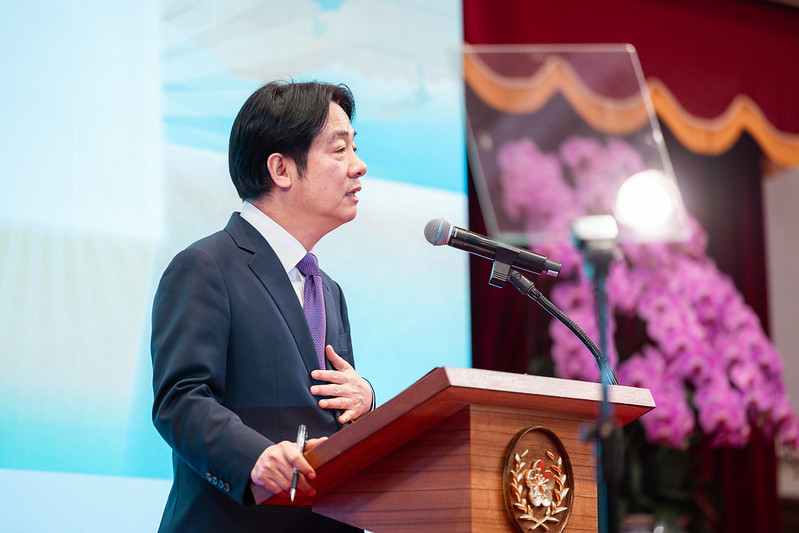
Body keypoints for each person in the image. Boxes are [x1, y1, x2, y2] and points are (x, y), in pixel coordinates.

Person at [151, 80, 373, 532]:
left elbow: (326, 409)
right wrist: (255, 457)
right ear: (281, 169)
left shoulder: (328, 290)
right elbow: (180, 399)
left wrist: (366, 400)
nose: (359, 165)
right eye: (339, 150)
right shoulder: (206, 265)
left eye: (355, 148)